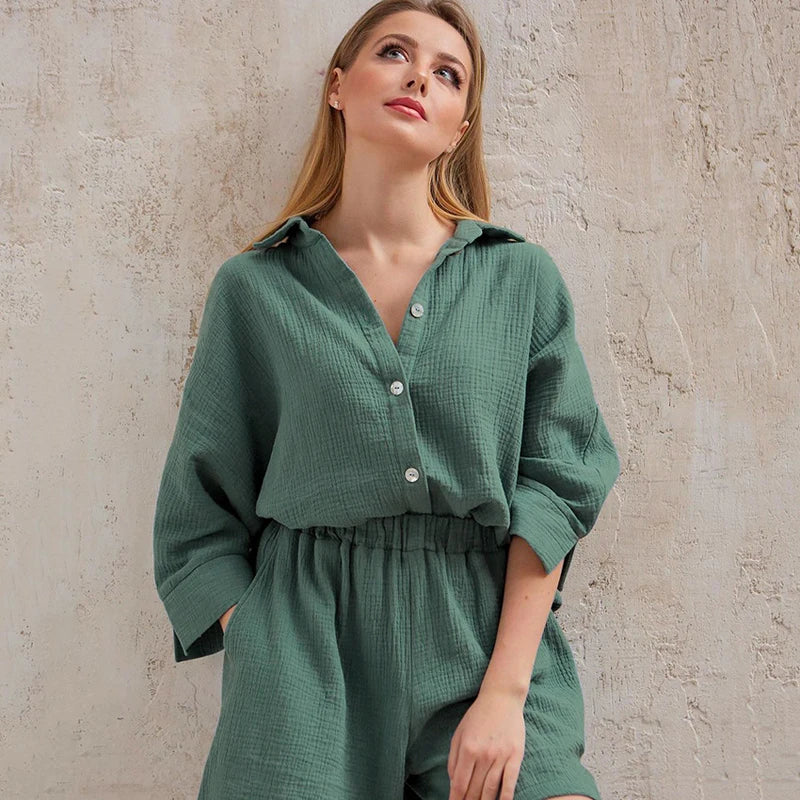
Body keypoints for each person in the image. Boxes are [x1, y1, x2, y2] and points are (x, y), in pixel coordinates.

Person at [152, 2, 621, 799]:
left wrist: (505, 694)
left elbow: (559, 485)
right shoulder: (256, 288)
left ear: (460, 126)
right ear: (338, 86)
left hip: (484, 643)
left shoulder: (520, 279)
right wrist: (263, 643)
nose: (419, 77)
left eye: (448, 73)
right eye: (395, 52)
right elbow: (198, 512)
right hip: (305, 653)